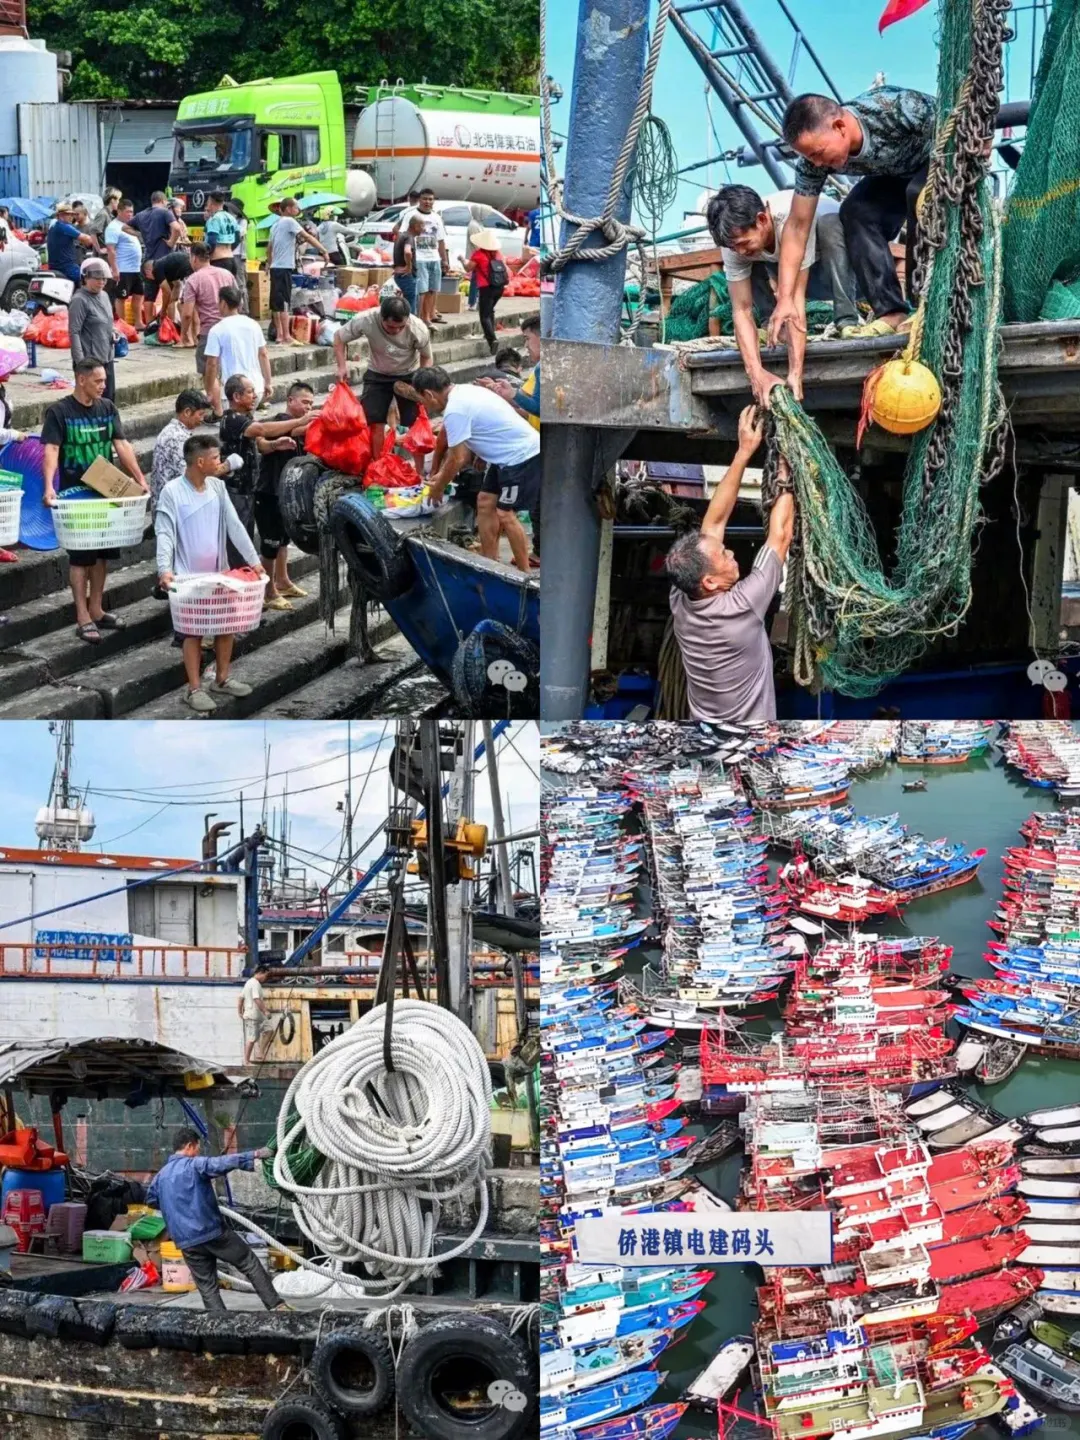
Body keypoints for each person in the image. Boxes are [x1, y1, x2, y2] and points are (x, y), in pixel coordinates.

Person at [768, 88, 937, 347]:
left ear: (839, 127)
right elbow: (798, 225)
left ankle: (926, 303)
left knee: (919, 194)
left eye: (818, 153)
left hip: (937, 160)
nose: (815, 163)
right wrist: (785, 299)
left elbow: (960, 120)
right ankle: (891, 311)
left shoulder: (895, 109)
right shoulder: (812, 164)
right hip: (892, 174)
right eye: (808, 157)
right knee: (855, 211)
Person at [666, 405, 794, 722]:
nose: (732, 553)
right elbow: (781, 535)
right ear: (709, 582)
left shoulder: (682, 597)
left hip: (705, 732)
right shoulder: (741, 606)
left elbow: (713, 525)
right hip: (750, 739)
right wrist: (787, 472)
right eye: (724, 556)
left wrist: (744, 451)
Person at [707, 184, 859, 403]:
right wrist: (755, 373)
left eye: (743, 243)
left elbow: (795, 300)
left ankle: (847, 320)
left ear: (762, 219)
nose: (739, 251)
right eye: (733, 247)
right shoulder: (734, 241)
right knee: (751, 259)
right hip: (790, 275)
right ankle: (774, 326)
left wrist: (795, 373)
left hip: (844, 273)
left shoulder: (791, 218)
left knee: (830, 225)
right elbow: (741, 310)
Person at [41, 357, 149, 644]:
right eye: (98, 381)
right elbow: (51, 448)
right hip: (75, 496)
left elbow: (121, 444)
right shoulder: (60, 412)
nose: (103, 385)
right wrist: (49, 487)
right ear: (81, 379)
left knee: (103, 554)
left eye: (104, 380)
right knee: (80, 557)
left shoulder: (107, 408)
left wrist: (138, 478)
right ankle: (82, 616)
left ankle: (97, 608)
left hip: (106, 494)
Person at [156, 435, 267, 712]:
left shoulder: (217, 487)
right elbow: (165, 533)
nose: (221, 463)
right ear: (200, 461)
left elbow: (235, 526)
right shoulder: (172, 492)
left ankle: (222, 678)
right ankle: (194, 688)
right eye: (216, 458)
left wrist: (254, 561)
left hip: (219, 570)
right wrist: (165, 570)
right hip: (187, 574)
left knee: (226, 625)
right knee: (191, 632)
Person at [409, 367, 539, 571]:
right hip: (503, 457)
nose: (424, 405)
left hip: (521, 456)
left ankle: (525, 575)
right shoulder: (465, 391)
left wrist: (439, 486)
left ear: (429, 394)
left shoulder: (455, 409)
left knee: (505, 513)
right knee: (485, 501)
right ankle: (489, 561)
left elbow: (458, 458)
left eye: (422, 400)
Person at [146, 1126, 282, 1312]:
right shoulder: (194, 1165)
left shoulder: (160, 1177)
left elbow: (152, 1200)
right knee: (249, 1262)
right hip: (211, 1232)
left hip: (186, 1242)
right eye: (197, 1148)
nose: (198, 1152)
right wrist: (256, 1154)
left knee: (208, 1288)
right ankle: (276, 1306)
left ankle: (220, 1327)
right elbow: (222, 1163)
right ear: (189, 1146)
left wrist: (177, 1206)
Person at [218, 374, 308, 575]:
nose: (254, 396)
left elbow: (261, 444)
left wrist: (277, 444)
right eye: (250, 392)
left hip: (250, 488)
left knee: (247, 536)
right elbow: (262, 429)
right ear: (237, 396)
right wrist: (300, 421)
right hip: (236, 489)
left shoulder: (247, 418)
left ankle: (246, 580)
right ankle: (239, 579)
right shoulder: (231, 419)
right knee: (238, 540)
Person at [332, 294, 433, 467]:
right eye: (389, 327)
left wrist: (420, 383)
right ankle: (377, 466)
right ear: (381, 318)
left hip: (408, 373)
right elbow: (339, 338)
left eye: (399, 327)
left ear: (407, 320)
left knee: (415, 423)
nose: (394, 331)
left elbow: (427, 357)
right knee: (375, 422)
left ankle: (420, 471)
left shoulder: (418, 328)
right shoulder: (366, 319)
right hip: (378, 373)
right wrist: (342, 366)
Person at [257, 381, 314, 608]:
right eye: (304, 402)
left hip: (287, 493)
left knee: (283, 541)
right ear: (290, 401)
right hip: (269, 492)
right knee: (270, 544)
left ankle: (282, 580)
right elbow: (267, 438)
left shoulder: (300, 426)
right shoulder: (280, 422)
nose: (308, 407)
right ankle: (268, 590)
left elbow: (300, 431)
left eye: (311, 403)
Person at [267, 197, 329, 347]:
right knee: (284, 302)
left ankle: (280, 336)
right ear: (288, 209)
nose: (298, 210)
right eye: (296, 207)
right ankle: (286, 337)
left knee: (276, 303)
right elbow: (307, 236)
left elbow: (269, 248)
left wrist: (268, 263)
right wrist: (323, 250)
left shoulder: (275, 225)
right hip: (284, 267)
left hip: (275, 267)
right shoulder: (289, 221)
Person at [203, 286, 271, 417]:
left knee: (234, 428)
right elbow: (263, 354)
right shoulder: (253, 325)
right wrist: (267, 383)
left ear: (222, 303)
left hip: (233, 392)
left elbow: (212, 363)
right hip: (255, 388)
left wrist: (210, 391)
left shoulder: (217, 329)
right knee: (247, 425)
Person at [150, 389, 213, 507]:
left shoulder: (173, 431)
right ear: (187, 412)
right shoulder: (176, 438)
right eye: (200, 414)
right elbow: (191, 476)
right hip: (171, 509)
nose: (202, 419)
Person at [398, 189, 449, 327]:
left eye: (430, 199)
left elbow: (441, 241)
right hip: (419, 258)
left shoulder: (437, 217)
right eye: (425, 199)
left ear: (434, 201)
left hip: (434, 258)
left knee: (433, 289)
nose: (428, 202)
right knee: (422, 290)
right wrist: (404, 258)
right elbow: (402, 235)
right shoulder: (411, 215)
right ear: (420, 200)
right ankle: (420, 318)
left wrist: (444, 260)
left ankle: (428, 316)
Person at [69, 260, 117, 400]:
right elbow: (74, 332)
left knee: (109, 399)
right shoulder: (80, 300)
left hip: (107, 357)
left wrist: (114, 332)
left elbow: (107, 322)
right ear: (85, 278)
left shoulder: (105, 296)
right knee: (92, 400)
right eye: (96, 278)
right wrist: (81, 363)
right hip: (90, 361)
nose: (101, 282)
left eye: (103, 279)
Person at [133, 192, 183, 328]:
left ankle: (150, 326)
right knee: (172, 290)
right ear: (163, 200)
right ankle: (170, 324)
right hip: (166, 260)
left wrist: (141, 234)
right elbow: (177, 228)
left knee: (149, 295)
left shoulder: (141, 215)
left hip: (148, 261)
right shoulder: (165, 212)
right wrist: (172, 242)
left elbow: (124, 227)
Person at [180, 242, 234, 359]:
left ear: (194, 258)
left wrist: (184, 335)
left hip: (209, 332)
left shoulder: (193, 280)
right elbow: (239, 302)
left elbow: (187, 314)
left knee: (209, 372)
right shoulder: (227, 274)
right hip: (230, 330)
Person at [465, 228, 507, 354]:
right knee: (490, 310)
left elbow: (468, 268)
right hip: (499, 288)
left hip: (486, 288)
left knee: (484, 315)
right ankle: (490, 332)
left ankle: (492, 340)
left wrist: (462, 260)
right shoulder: (498, 254)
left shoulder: (478, 255)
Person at [104, 198, 144, 321]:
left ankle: (138, 322)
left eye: (132, 212)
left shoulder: (129, 226)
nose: (130, 214)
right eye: (127, 212)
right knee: (121, 297)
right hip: (123, 268)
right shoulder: (113, 227)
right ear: (119, 211)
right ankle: (122, 323)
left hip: (136, 268)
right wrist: (115, 270)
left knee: (139, 295)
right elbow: (111, 250)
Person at [47, 202, 95, 282]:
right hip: (67, 267)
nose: (72, 217)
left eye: (73, 215)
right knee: (88, 282)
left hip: (54, 267)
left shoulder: (53, 226)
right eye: (69, 214)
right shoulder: (64, 226)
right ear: (61, 215)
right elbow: (87, 239)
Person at [152, 245, 194, 331]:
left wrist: (163, 310)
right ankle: (172, 327)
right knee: (174, 302)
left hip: (188, 269)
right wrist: (170, 303)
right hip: (190, 264)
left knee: (182, 305)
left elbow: (166, 292)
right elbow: (176, 285)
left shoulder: (156, 268)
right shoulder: (169, 269)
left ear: (148, 272)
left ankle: (186, 335)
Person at [238, 967, 274, 1063]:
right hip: (252, 1015)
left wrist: (240, 1011)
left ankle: (260, 1053)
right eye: (265, 976)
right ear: (260, 973)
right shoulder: (254, 983)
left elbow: (241, 998)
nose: (265, 978)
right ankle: (246, 1060)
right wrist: (265, 1011)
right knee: (252, 1038)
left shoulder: (249, 983)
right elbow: (256, 998)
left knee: (269, 1030)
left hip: (258, 1016)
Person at [203, 191, 241, 281]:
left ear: (211, 202)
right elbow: (238, 239)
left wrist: (206, 255)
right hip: (231, 260)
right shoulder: (231, 217)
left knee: (217, 293)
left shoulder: (214, 219)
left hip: (218, 261)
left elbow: (211, 241)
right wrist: (229, 249)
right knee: (229, 293)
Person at [392, 214, 424, 314]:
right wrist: (409, 266)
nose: (424, 229)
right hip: (406, 276)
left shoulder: (401, 235)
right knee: (410, 308)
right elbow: (407, 252)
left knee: (405, 304)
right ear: (416, 226)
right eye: (422, 226)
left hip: (400, 274)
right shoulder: (409, 238)